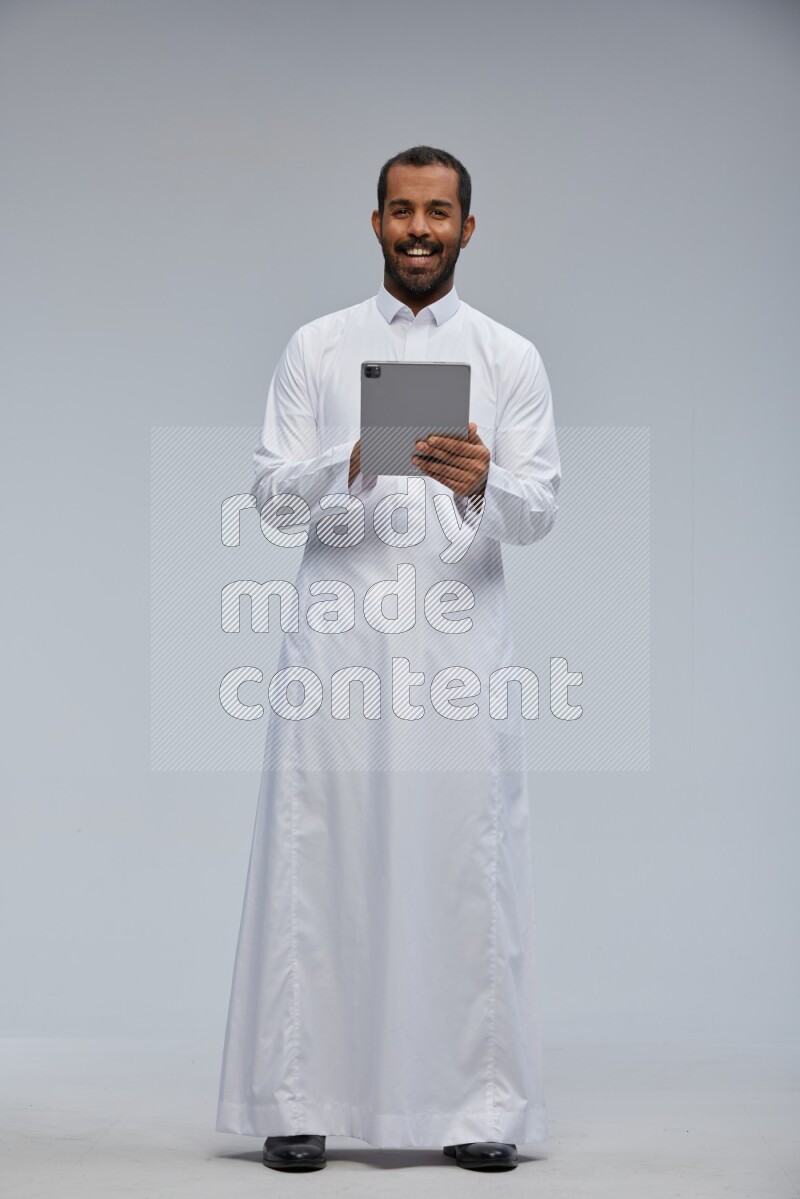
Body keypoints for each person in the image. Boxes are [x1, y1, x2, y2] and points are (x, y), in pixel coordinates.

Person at [215, 145, 562, 1173]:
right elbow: (271, 499)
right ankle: (298, 1097)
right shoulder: (317, 347)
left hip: (458, 651)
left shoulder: (509, 357)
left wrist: (482, 479)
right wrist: (353, 456)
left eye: (438, 212)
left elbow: (539, 509)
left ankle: (478, 1106)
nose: (419, 229)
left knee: (466, 865)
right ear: (375, 223)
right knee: (319, 860)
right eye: (402, 211)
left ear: (467, 227)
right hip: (339, 647)